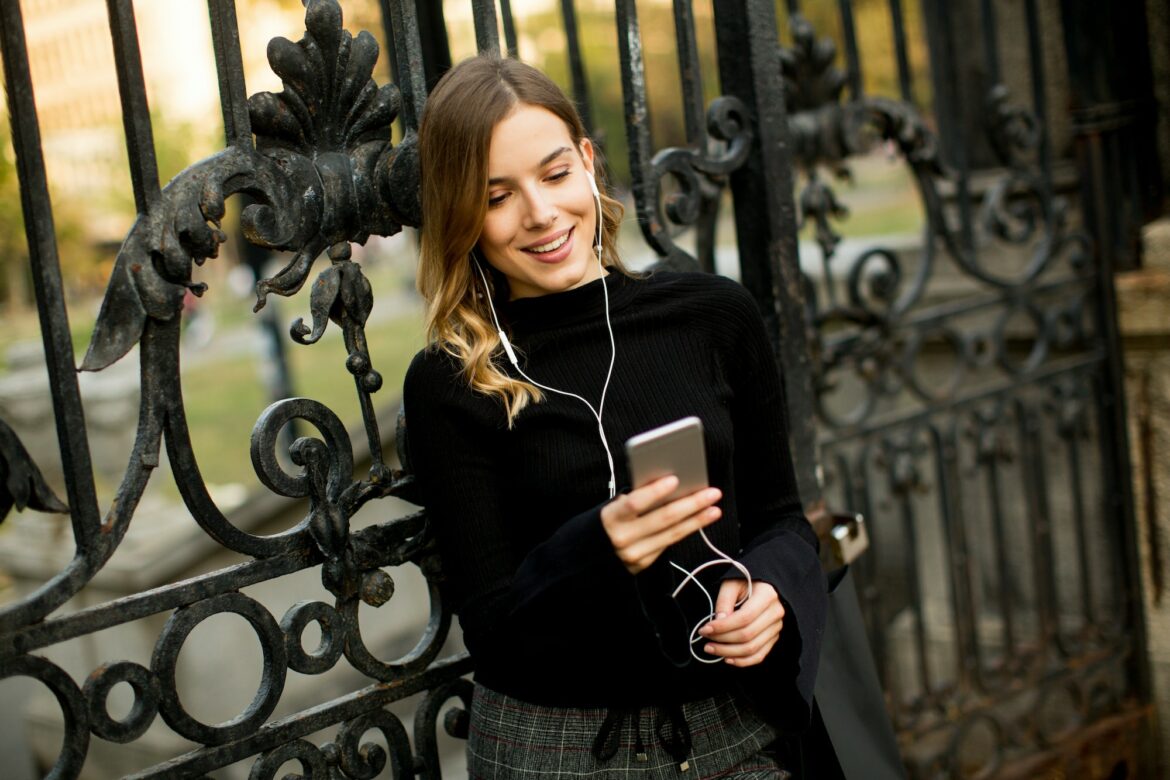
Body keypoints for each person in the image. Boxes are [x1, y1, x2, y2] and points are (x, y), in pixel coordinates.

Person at [403, 55, 833, 778]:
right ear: (461, 214)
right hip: (557, 750)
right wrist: (598, 549)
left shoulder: (714, 317)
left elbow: (782, 519)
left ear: (588, 162)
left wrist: (769, 591)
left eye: (555, 174)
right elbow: (495, 632)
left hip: (735, 726)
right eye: (497, 196)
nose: (541, 214)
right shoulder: (450, 383)